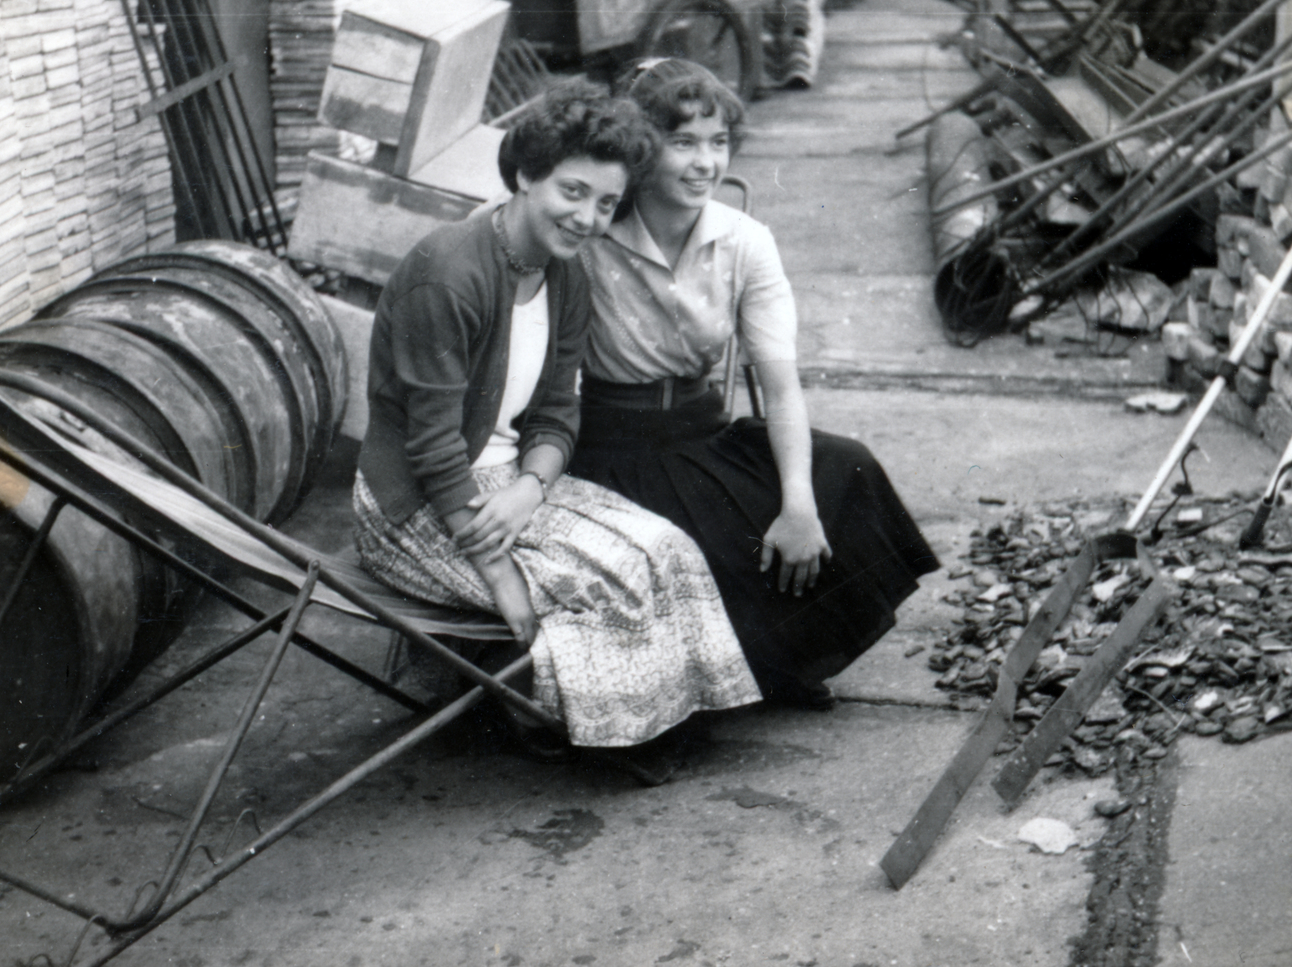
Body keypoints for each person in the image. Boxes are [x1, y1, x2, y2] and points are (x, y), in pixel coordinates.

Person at [352, 81, 760, 752]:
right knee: (606, 577)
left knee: (669, 548)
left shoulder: (565, 273)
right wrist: (500, 573)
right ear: (524, 175)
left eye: (605, 204)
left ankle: (654, 722)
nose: (587, 218)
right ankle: (588, 732)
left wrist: (529, 487)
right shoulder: (450, 272)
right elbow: (431, 447)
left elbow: (558, 410)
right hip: (415, 505)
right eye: (573, 192)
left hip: (508, 483)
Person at [569, 58, 940, 709]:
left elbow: (781, 385)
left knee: (843, 472)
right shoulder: (596, 234)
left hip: (702, 429)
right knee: (704, 536)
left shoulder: (744, 240)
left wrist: (800, 502)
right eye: (682, 142)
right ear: (640, 146)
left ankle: (778, 658)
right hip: (614, 442)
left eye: (718, 143)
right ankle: (749, 668)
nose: (703, 162)